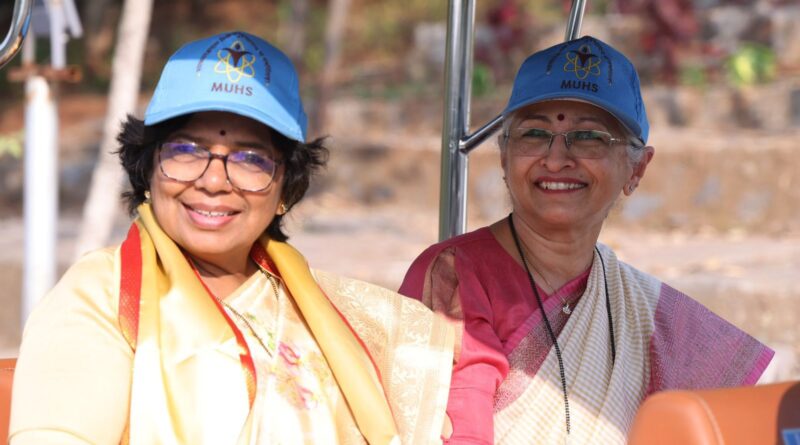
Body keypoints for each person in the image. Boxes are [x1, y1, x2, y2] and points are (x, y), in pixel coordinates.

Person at [10, 31, 454, 445]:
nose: (214, 181)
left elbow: (447, 353)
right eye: (185, 151)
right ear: (147, 169)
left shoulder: (339, 311)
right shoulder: (103, 295)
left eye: (250, 158)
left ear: (287, 189)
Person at [399, 35, 773, 444]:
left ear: (636, 170)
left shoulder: (647, 313)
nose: (557, 158)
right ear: (504, 156)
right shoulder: (457, 277)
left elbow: (735, 420)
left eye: (590, 138)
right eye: (534, 134)